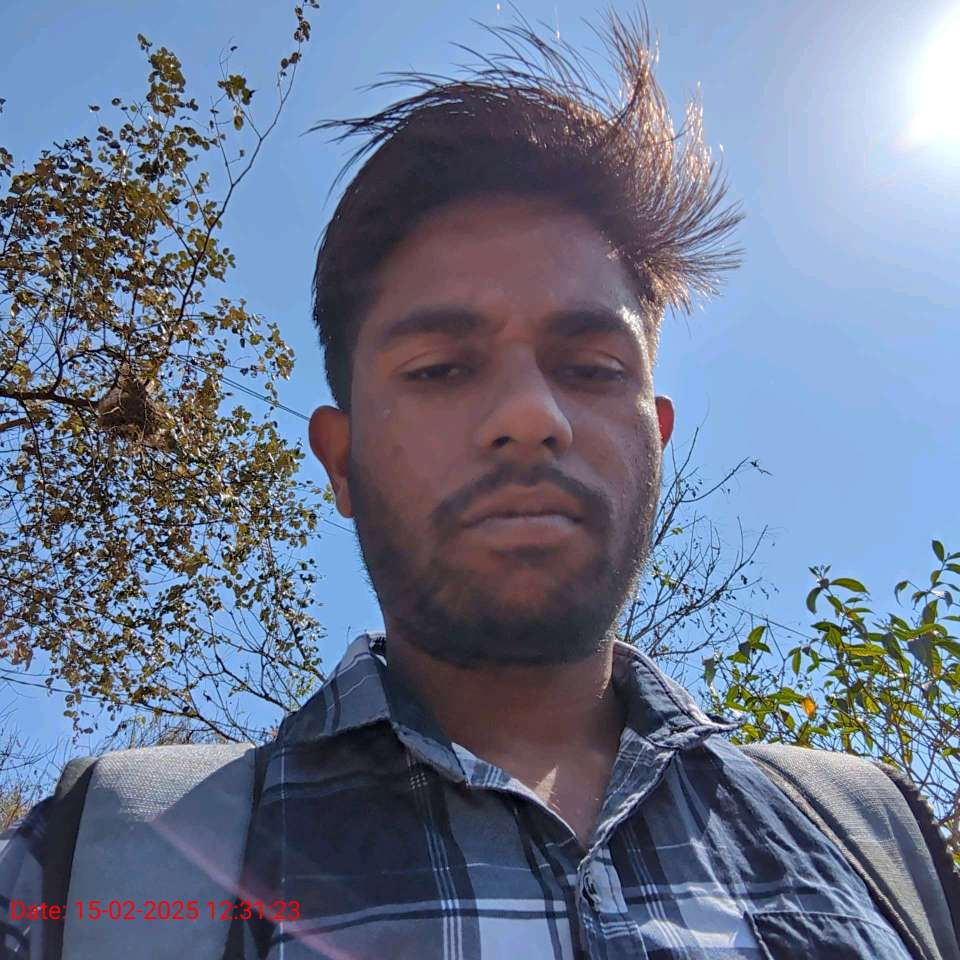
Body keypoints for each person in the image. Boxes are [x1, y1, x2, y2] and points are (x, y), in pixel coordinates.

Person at [0, 11, 934, 960]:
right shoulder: (86, 870)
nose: (529, 414)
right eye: (442, 368)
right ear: (341, 461)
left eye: (592, 368)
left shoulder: (878, 845)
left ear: (656, 442)